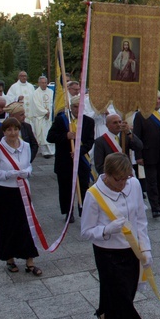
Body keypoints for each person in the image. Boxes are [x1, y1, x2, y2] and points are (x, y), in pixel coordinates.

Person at [81, 153, 150, 319]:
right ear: (107, 175)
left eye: (126, 178)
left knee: (125, 294)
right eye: (118, 179)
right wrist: (106, 230)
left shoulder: (134, 185)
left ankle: (104, 316)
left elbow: (140, 218)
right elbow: (86, 232)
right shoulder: (93, 195)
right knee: (122, 300)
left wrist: (146, 249)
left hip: (131, 251)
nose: (123, 183)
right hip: (107, 254)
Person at [0, 117, 42, 277]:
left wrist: (28, 171)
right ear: (4, 132)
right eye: (9, 130)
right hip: (5, 192)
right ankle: (9, 259)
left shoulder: (25, 146)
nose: (13, 133)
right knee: (8, 226)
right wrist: (9, 174)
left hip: (23, 190)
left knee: (26, 224)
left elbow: (28, 165)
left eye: (16, 129)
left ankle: (30, 260)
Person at [47, 95, 95, 223]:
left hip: (81, 159)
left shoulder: (89, 121)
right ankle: (68, 213)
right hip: (64, 161)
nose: (77, 109)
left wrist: (80, 151)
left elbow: (90, 141)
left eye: (80, 107)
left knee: (84, 186)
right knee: (66, 188)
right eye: (75, 106)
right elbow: (50, 137)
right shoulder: (61, 120)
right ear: (71, 107)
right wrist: (65, 136)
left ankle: (83, 210)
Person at [30, 76, 55, 158]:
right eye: (42, 83)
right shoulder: (35, 93)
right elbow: (36, 105)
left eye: (45, 83)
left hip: (50, 118)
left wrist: (50, 113)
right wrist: (45, 112)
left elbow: (53, 104)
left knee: (50, 132)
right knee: (42, 135)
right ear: (39, 83)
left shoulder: (51, 92)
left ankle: (52, 150)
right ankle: (44, 151)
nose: (44, 84)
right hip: (41, 117)